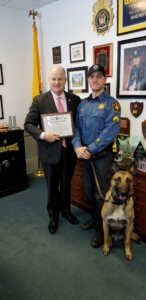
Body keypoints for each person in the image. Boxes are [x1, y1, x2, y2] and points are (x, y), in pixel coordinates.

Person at [24, 65, 80, 234]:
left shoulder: (74, 100)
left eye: (60, 79)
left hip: (69, 151)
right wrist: (42, 135)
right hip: (50, 152)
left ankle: (66, 211)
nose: (57, 82)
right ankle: (53, 216)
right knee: (52, 186)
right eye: (53, 79)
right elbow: (28, 124)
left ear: (65, 80)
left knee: (66, 183)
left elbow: (79, 124)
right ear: (49, 80)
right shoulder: (39, 100)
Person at [72, 64, 121, 248]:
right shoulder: (82, 105)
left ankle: (102, 232)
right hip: (84, 156)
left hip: (101, 158)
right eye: (91, 76)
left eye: (99, 76)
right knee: (89, 192)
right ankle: (95, 220)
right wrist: (77, 147)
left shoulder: (111, 104)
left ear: (105, 79)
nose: (95, 79)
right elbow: (75, 129)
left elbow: (111, 131)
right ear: (88, 80)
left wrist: (90, 148)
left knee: (102, 195)